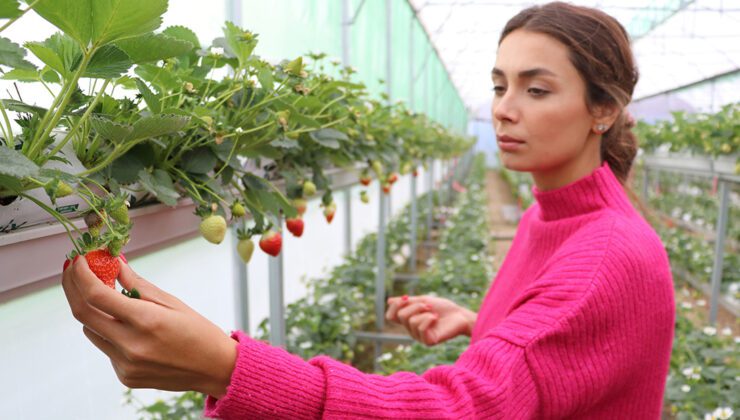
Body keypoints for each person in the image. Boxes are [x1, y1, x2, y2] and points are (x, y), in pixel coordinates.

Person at [62, 2, 675, 418]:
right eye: (499, 85)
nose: (504, 109)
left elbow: (459, 409)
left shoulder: (605, 255)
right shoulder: (554, 214)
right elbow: (554, 345)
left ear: (604, 110)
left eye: (536, 90)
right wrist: (481, 321)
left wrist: (229, 368)